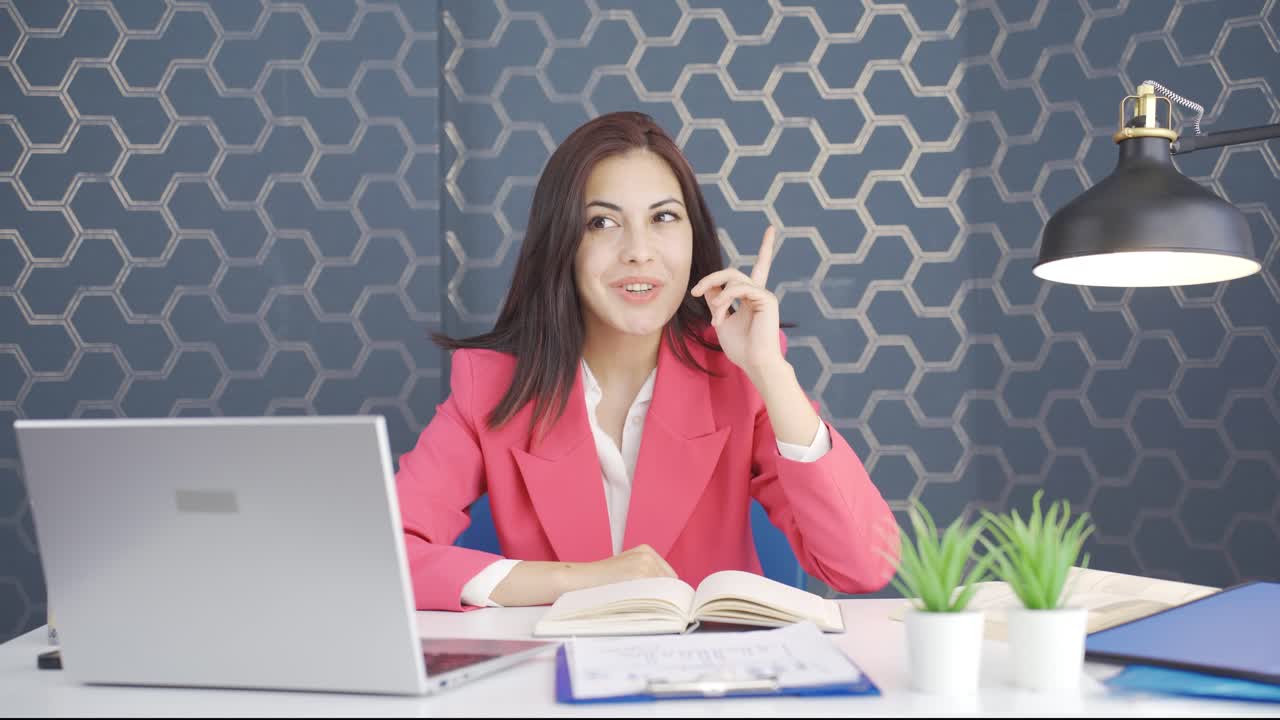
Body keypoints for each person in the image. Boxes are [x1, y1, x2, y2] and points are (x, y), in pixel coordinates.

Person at [396, 111, 898, 611]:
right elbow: (388, 556)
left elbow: (862, 564)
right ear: (562, 245)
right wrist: (577, 580)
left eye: (663, 218)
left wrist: (769, 371)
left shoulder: (738, 375)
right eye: (602, 222)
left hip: (717, 679)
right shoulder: (490, 384)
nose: (639, 251)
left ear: (692, 237)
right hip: (551, 677)